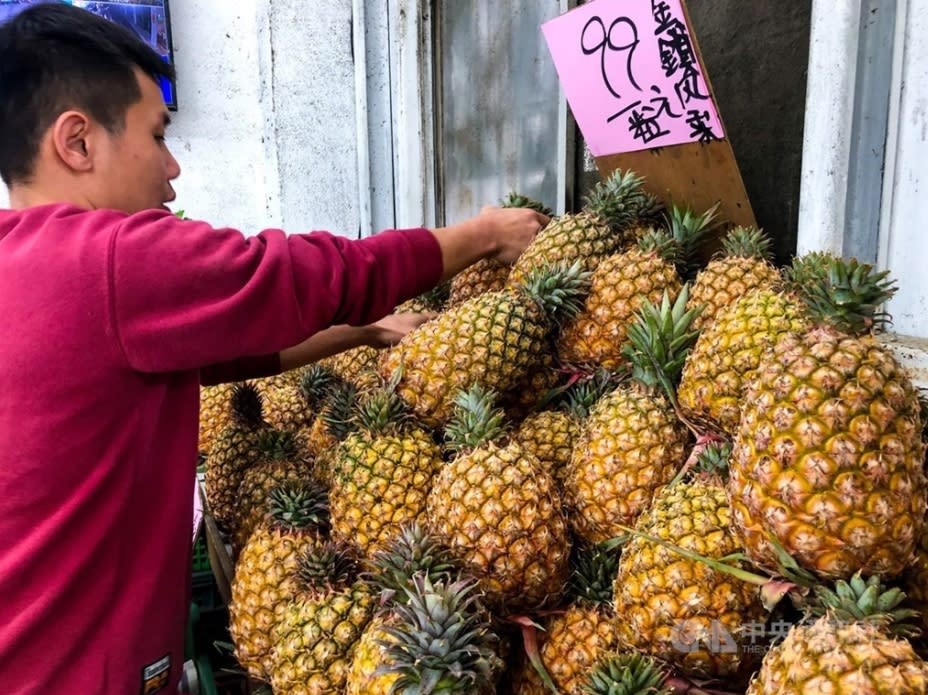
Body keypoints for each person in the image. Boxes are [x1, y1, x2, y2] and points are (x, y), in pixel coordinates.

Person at [0, 5, 548, 694]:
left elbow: (223, 355)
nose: (172, 168)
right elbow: (308, 274)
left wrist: (364, 329)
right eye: (157, 135)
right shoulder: (107, 259)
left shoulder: (21, 264)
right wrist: (481, 234)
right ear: (78, 142)